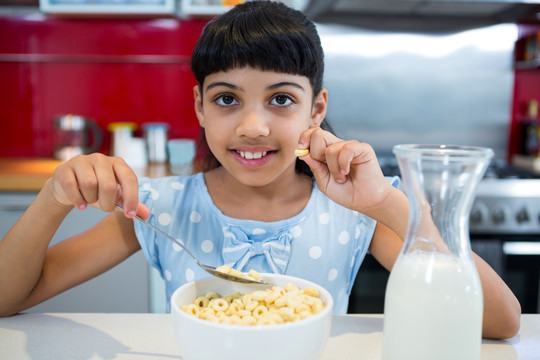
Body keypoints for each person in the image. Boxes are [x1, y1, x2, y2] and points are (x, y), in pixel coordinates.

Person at [0, 0, 520, 339]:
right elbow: (9, 299)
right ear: (200, 107)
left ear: (315, 110)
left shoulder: (356, 212)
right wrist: (54, 198)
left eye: (280, 100)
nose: (253, 126)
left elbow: (500, 321)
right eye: (227, 99)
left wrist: (384, 202)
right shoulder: (157, 209)